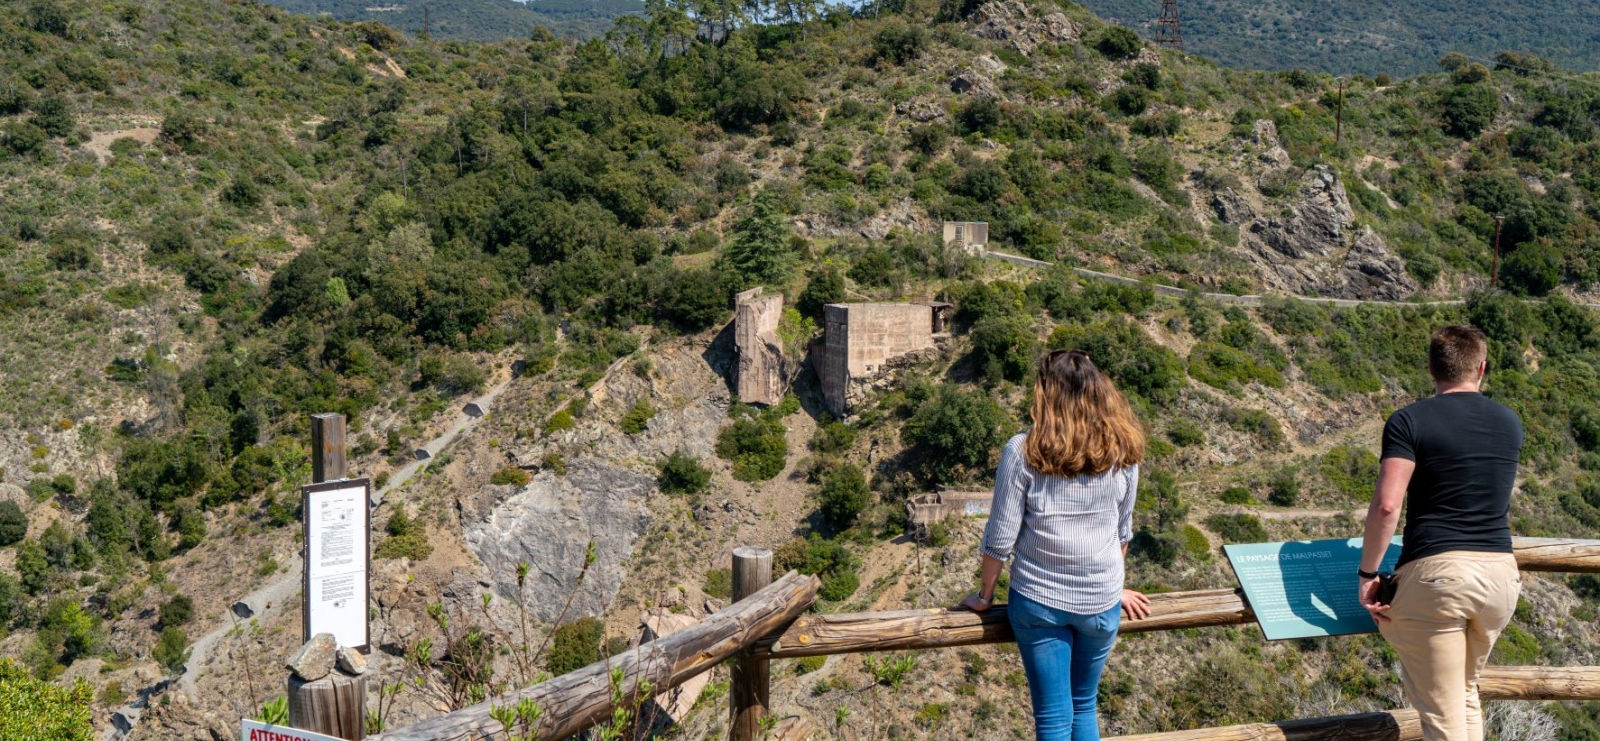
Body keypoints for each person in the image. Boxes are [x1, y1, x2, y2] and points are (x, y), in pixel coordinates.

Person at [962, 350, 1151, 741]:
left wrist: (984, 596)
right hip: (1101, 602)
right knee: (1084, 704)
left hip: (1040, 601)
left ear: (1045, 394)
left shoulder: (1024, 450)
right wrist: (1113, 585)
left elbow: (1000, 538)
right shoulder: (1124, 451)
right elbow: (1122, 532)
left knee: (1052, 716)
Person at [1358, 325, 1524, 741]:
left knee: (1441, 718)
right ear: (1481, 368)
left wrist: (1368, 576)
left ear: (1431, 367)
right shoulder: (1509, 422)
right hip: (1501, 577)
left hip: (1439, 577)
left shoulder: (1408, 421)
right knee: (1464, 696)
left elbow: (1387, 505)